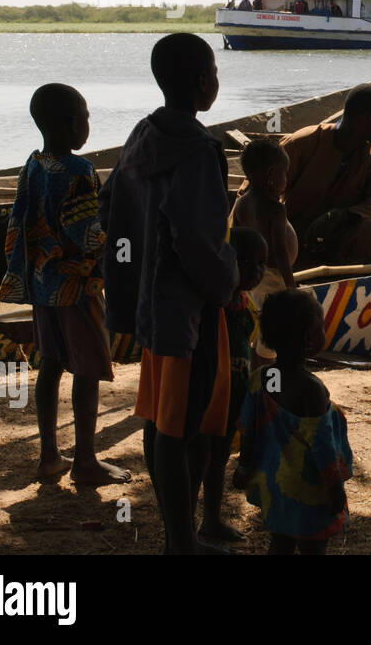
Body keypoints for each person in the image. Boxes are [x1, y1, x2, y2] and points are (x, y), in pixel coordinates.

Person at [99, 33, 240, 553]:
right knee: (181, 426)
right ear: (204, 81)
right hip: (188, 310)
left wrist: (129, 275)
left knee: (163, 419)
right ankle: (181, 539)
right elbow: (198, 240)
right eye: (215, 74)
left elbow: (111, 201)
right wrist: (227, 283)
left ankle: (179, 533)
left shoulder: (143, 133)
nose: (217, 83)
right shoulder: (201, 149)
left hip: (149, 307)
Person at [0, 83, 130, 485]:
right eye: (87, 117)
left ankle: (49, 456)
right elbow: (87, 233)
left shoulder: (32, 164)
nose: (89, 124)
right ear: (73, 123)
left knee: (51, 365)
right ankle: (87, 461)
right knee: (87, 369)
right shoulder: (79, 171)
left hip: (42, 285)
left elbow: (19, 222)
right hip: (78, 288)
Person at [233, 289, 352, 555]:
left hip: (274, 487)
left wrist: (243, 467)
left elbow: (247, 430)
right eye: (320, 325)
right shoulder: (312, 390)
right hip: (309, 490)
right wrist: (334, 488)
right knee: (314, 547)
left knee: (281, 542)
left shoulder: (261, 377)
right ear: (309, 338)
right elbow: (323, 447)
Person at [273, 85, 371, 266]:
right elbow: (256, 190)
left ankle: (351, 283)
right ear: (365, 119)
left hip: (339, 236)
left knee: (370, 231)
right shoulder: (301, 144)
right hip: (293, 236)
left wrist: (343, 216)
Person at [199, 226, 267, 543]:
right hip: (210, 397)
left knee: (220, 460)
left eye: (261, 264)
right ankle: (190, 525)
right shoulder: (213, 305)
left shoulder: (244, 306)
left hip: (233, 400)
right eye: (246, 262)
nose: (255, 271)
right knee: (200, 458)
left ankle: (211, 519)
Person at [232, 139, 298, 303]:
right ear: (271, 174)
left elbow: (235, 241)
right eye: (285, 173)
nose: (286, 179)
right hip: (276, 277)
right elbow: (280, 252)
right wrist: (291, 286)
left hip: (255, 276)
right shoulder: (275, 209)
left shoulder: (241, 203)